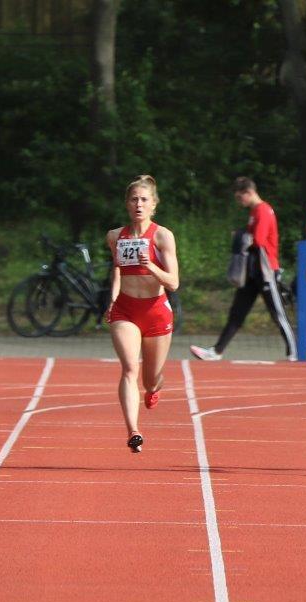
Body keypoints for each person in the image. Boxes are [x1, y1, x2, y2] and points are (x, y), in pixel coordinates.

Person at [106, 175, 180, 454]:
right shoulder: (115, 236)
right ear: (127, 203)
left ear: (153, 205)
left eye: (144, 200)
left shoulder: (162, 236)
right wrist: (113, 299)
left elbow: (173, 282)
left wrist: (151, 267)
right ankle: (133, 431)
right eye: (134, 199)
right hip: (125, 310)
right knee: (129, 368)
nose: (139, 204)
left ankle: (154, 389)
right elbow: (116, 269)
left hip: (156, 312)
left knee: (150, 379)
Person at [191, 177, 297, 362]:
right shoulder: (254, 211)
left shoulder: (263, 210)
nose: (239, 202)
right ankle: (217, 351)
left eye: (240, 197)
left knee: (277, 313)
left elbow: (259, 240)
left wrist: (240, 235)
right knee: (237, 312)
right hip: (251, 272)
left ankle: (294, 352)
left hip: (265, 270)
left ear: (249, 192)